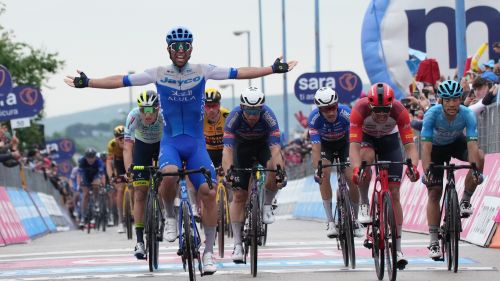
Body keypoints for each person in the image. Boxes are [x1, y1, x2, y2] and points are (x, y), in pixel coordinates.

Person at [64, 26, 297, 274]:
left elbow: (238, 72)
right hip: (171, 142)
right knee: (169, 173)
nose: (181, 51)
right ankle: (170, 217)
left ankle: (208, 254)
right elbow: (120, 81)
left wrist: (272, 69)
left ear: (191, 48)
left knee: (208, 192)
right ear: (168, 49)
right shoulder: (158, 73)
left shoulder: (202, 70)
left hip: (196, 144)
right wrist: (88, 82)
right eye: (176, 47)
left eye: (185, 46)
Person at [349, 83, 420, 269]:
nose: (381, 114)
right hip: (367, 139)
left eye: (385, 110)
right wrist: (357, 169)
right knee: (366, 159)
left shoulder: (399, 110)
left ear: (391, 105)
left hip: (390, 142)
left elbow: (410, 146)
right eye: (377, 110)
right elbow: (354, 147)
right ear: (370, 105)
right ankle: (364, 203)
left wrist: (413, 166)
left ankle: (397, 248)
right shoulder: (359, 109)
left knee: (395, 193)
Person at [221, 87, 287, 263]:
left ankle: (266, 205)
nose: (252, 115)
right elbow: (227, 150)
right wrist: (229, 172)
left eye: (256, 110)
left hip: (263, 146)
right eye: (249, 111)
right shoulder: (233, 117)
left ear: (261, 108)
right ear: (242, 108)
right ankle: (237, 245)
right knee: (239, 195)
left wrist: (279, 169)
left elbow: (275, 149)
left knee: (274, 169)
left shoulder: (268, 116)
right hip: (240, 149)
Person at [420, 80, 485, 259]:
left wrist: (475, 168)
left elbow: (472, 145)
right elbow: (425, 147)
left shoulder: (467, 114)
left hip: (456, 143)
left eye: (455, 99)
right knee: (434, 192)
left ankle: (465, 200)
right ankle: (434, 240)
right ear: (441, 100)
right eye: (447, 100)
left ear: (460, 99)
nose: (451, 104)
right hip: (436, 149)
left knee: (479, 156)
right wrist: (427, 170)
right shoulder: (432, 114)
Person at [308, 87, 363, 238]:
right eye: (326, 109)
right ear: (319, 109)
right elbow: (315, 148)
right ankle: (330, 222)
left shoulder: (347, 113)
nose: (331, 112)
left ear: (337, 105)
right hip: (326, 146)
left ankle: (356, 219)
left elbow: (356, 140)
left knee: (352, 178)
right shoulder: (314, 119)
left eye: (333, 107)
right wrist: (317, 169)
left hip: (346, 144)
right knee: (323, 174)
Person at [122, 90, 163, 260]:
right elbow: (127, 146)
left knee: (167, 180)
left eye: (149, 111)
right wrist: (128, 170)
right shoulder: (133, 116)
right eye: (142, 110)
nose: (146, 115)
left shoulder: (164, 116)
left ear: (157, 109)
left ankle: (167, 213)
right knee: (139, 192)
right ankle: (139, 241)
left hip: (162, 144)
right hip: (142, 147)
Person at [77, 147, 106, 227]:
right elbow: (79, 175)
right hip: (86, 177)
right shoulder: (82, 161)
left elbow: (102, 175)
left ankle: (96, 201)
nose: (90, 159)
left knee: (96, 184)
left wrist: (103, 184)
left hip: (95, 176)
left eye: (92, 157)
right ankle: (83, 216)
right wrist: (79, 185)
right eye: (88, 157)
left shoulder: (99, 162)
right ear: (85, 157)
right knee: (85, 195)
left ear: (95, 156)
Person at [107, 125, 127, 233]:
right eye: (120, 138)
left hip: (130, 160)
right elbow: (109, 163)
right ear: (115, 139)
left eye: (125, 137)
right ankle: (121, 220)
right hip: (119, 163)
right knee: (120, 189)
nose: (123, 140)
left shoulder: (131, 141)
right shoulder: (112, 145)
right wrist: (111, 177)